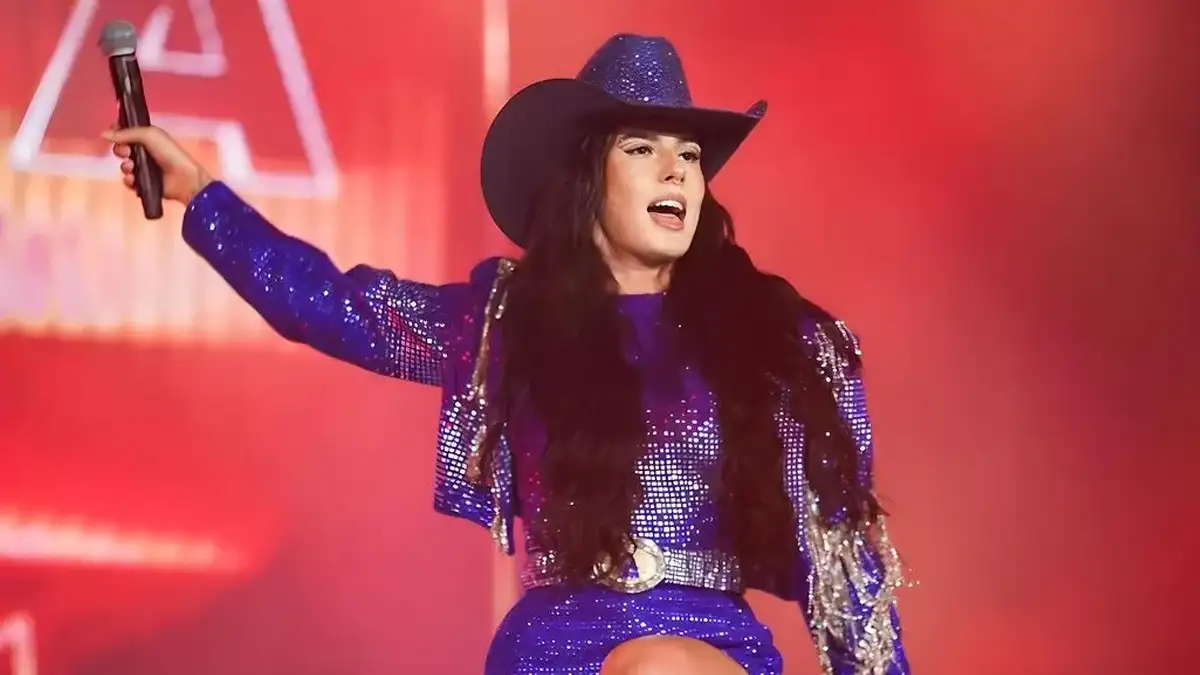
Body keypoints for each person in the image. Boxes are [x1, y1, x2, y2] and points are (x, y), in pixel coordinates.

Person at [105, 34, 909, 675]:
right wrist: (204, 198)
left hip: (708, 647)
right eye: (642, 148)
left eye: (690, 155)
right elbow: (336, 308)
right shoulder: (507, 325)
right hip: (554, 650)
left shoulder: (777, 344)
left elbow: (847, 572)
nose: (676, 170)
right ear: (587, 178)